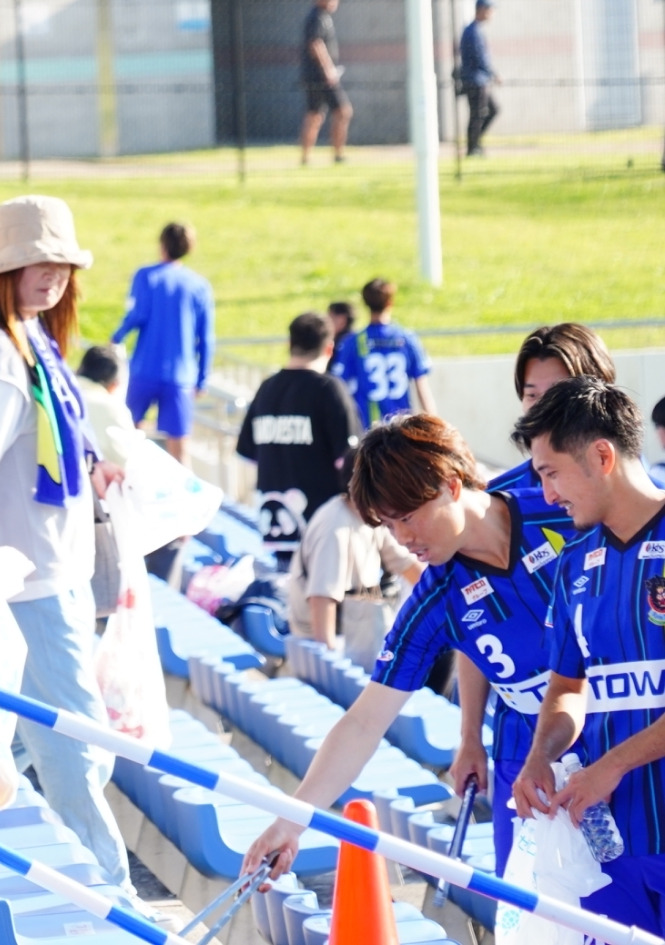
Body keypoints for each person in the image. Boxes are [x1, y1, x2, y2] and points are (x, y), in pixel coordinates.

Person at [243, 414, 572, 882]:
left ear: (451, 485)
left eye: (408, 518)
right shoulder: (433, 599)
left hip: (624, 737)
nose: (402, 539)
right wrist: (291, 821)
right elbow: (363, 721)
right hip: (527, 762)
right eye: (388, 525)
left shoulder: (559, 506)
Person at [0, 195, 131, 889]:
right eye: (34, 263)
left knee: (35, 739)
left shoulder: (28, 337)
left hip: (55, 572)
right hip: (30, 582)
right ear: (4, 270)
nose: (50, 276)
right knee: (78, 746)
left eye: (59, 262)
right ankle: (113, 896)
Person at [513, 379, 665, 935]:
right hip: (612, 847)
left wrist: (615, 764)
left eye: (551, 473)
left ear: (602, 455)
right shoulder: (575, 561)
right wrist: (540, 756)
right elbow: (567, 688)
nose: (548, 496)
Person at [236, 311, 360, 561]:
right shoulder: (329, 389)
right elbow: (351, 462)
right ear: (329, 348)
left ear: (289, 344)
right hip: (323, 532)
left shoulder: (266, 389)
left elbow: (247, 453)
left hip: (275, 531)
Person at [111, 221, 214, 464]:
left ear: (162, 245)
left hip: (145, 368)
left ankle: (127, 484)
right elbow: (206, 337)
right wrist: (202, 378)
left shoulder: (146, 276)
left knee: (128, 433)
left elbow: (137, 314)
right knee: (179, 445)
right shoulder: (199, 286)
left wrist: (115, 339)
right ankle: (185, 497)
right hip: (181, 374)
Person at [283, 485, 420, 665]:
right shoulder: (335, 528)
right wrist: (332, 667)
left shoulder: (372, 514)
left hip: (356, 631)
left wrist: (445, 601)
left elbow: (407, 566)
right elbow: (322, 601)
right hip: (326, 642)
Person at [491, 323, 619, 494]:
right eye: (532, 395)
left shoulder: (652, 500)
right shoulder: (500, 502)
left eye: (558, 393)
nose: (543, 408)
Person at [330, 277, 434, 427]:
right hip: (400, 428)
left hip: (368, 428)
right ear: (390, 302)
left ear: (365, 303)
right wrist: (433, 425)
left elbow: (339, 385)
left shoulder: (353, 342)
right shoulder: (406, 338)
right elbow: (422, 386)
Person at [298, 0, 352, 166]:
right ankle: (337, 154)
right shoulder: (317, 17)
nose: (333, 0)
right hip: (321, 77)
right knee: (342, 111)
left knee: (315, 115)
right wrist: (328, 69)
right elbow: (316, 44)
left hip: (318, 76)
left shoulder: (322, 16)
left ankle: (307, 157)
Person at [74, 344, 135, 467]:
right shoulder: (113, 408)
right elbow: (130, 460)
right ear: (114, 385)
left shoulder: (58, 394)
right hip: (96, 482)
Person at [456, 0, 500, 156]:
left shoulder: (474, 30)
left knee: (490, 110)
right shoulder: (472, 31)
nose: (492, 14)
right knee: (477, 114)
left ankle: (474, 144)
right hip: (475, 80)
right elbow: (479, 57)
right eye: (490, 10)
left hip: (478, 79)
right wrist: (493, 74)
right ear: (482, 10)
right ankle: (472, 147)